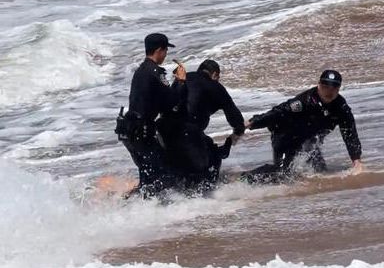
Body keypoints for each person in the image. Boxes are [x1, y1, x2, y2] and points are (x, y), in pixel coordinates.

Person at [245, 69, 362, 181]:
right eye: (325, 87)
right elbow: (277, 113)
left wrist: (356, 161)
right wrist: (251, 123)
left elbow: (350, 134)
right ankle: (245, 178)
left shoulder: (341, 108)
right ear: (318, 85)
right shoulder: (304, 102)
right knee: (283, 174)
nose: (329, 91)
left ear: (338, 89)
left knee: (321, 175)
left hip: (310, 143)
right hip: (286, 139)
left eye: (333, 88)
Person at [115, 32, 186, 194]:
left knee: (147, 175)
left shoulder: (141, 70)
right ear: (159, 50)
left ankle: (132, 205)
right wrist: (180, 81)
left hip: (129, 130)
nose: (166, 54)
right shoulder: (156, 73)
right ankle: (146, 211)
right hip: (142, 132)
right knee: (163, 176)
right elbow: (170, 103)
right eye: (166, 50)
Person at [164, 59, 245, 190]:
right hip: (189, 135)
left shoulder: (183, 79)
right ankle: (207, 194)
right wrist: (237, 132)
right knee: (213, 156)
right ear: (214, 75)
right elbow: (235, 118)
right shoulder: (215, 86)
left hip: (165, 131)